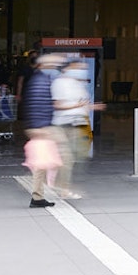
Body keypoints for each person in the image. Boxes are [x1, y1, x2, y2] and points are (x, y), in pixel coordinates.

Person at [52, 57, 101, 198]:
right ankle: (62, 189)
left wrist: (93, 107)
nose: (80, 71)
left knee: (73, 157)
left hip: (76, 125)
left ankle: (60, 185)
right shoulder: (59, 83)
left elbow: (82, 103)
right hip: (62, 125)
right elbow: (57, 105)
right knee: (66, 158)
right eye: (77, 67)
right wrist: (77, 106)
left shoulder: (77, 84)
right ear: (66, 68)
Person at [21, 52, 64, 208]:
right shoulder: (41, 80)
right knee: (64, 152)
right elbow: (37, 105)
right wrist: (39, 128)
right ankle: (60, 187)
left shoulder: (40, 79)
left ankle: (38, 196)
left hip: (40, 125)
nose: (55, 67)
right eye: (53, 65)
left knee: (41, 163)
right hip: (42, 126)